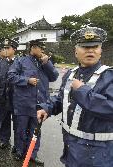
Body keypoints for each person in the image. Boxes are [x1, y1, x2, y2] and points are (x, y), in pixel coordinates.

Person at [37, 27, 113, 167]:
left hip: (98, 155)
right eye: (85, 47)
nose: (90, 50)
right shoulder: (71, 74)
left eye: (95, 46)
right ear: (76, 52)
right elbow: (62, 99)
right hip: (71, 148)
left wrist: (82, 90)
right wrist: (47, 108)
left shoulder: (109, 77)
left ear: (101, 51)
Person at [8, 38, 59, 164]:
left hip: (39, 104)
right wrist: (26, 80)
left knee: (35, 131)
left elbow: (54, 76)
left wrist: (47, 63)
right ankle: (20, 151)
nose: (42, 50)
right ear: (33, 48)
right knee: (21, 129)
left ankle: (32, 154)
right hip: (23, 103)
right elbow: (11, 76)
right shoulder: (21, 61)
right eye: (40, 48)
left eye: (43, 48)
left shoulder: (45, 62)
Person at [0, 38, 19, 150]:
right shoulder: (0, 63)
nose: (5, 50)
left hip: (16, 98)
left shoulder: (20, 62)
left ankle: (17, 144)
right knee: (4, 120)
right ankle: (4, 140)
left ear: (14, 49)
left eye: (8, 48)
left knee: (17, 123)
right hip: (2, 97)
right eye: (4, 48)